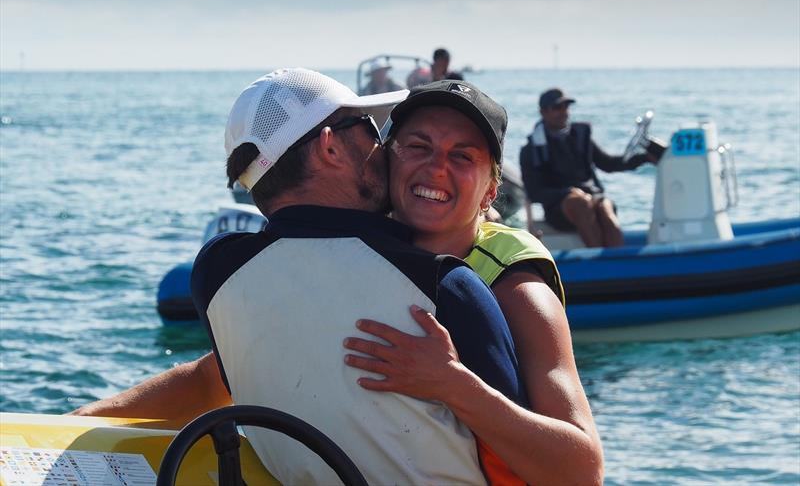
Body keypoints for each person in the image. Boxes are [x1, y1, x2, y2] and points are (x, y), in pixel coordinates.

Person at [73, 68, 529, 485]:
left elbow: (215, 378)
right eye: (370, 130)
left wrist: (79, 420)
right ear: (330, 146)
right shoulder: (445, 287)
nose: (382, 147)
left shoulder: (217, 276)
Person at [342, 80, 604, 484]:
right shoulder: (349, 254)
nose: (435, 167)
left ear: (490, 192)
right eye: (418, 146)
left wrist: (450, 383)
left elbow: (583, 471)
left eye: (462, 156)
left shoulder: (518, 290)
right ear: (388, 159)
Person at [520, 88, 664, 247]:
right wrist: (567, 192)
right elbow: (535, 193)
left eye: (566, 107)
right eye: (557, 108)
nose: (563, 112)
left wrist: (643, 159)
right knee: (580, 204)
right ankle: (599, 262)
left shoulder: (581, 136)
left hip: (592, 197)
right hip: (559, 208)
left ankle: (619, 262)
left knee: (605, 208)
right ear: (543, 112)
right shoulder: (531, 150)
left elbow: (608, 164)